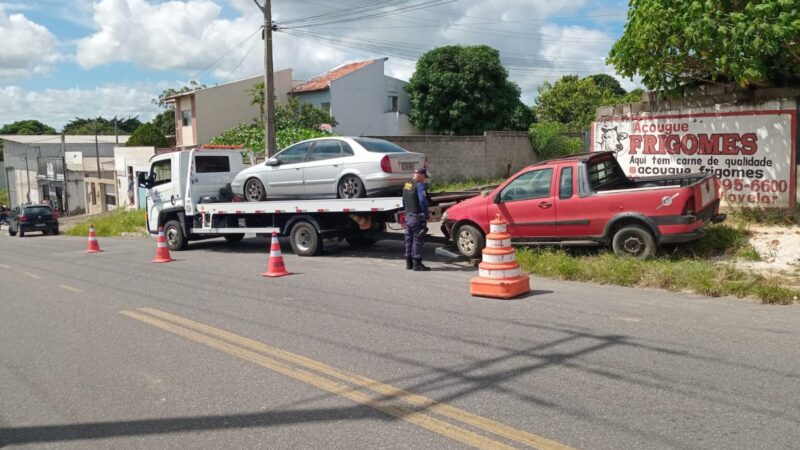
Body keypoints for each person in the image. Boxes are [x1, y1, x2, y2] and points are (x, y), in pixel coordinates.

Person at [402, 168, 430, 271]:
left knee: (408, 239)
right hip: (417, 217)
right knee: (418, 239)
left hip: (408, 216)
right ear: (421, 175)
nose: (424, 180)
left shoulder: (407, 184)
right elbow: (422, 201)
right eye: (424, 177)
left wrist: (406, 212)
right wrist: (426, 214)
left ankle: (408, 263)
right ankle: (417, 264)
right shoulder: (420, 185)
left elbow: (404, 200)